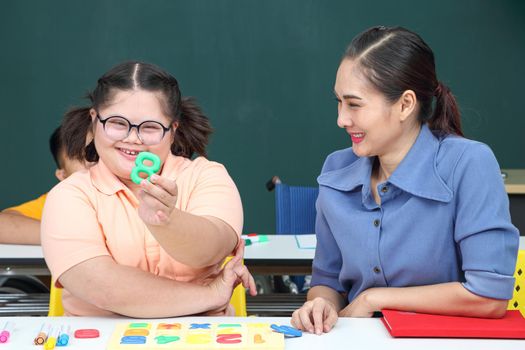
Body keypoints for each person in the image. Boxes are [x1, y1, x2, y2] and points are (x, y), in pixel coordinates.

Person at [291, 26, 519, 334]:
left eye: (354, 104)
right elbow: (326, 283)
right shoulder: (335, 171)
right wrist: (321, 305)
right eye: (338, 102)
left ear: (405, 104)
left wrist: (374, 299)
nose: (341, 119)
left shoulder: (469, 164)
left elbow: (489, 296)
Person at [41, 61, 256, 317]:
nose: (133, 138)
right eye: (118, 123)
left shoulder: (206, 175)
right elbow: (102, 287)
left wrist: (166, 220)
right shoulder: (69, 195)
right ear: (95, 120)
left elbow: (212, 248)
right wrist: (209, 295)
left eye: (150, 127)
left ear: (172, 130)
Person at [0, 127, 87, 245]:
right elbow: (3, 225)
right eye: (82, 157)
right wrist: (74, 237)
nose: (95, 163)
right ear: (63, 175)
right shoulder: (59, 202)